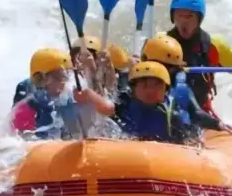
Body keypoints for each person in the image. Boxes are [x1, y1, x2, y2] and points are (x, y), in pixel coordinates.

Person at [75, 61, 224, 145]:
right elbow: (105, 107)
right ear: (133, 90)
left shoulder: (172, 115)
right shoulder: (126, 105)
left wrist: (216, 126)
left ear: (166, 90)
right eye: (145, 85)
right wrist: (88, 95)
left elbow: (186, 140)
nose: (150, 90)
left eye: (157, 85)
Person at [139, 33, 229, 135]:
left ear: (175, 68)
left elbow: (196, 114)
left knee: (177, 118)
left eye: (168, 67)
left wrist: (217, 124)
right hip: (133, 140)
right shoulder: (131, 83)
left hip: (171, 143)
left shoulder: (181, 90)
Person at [10, 48, 91, 140]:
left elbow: (75, 129)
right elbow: (19, 135)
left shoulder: (65, 97)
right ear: (44, 78)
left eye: (67, 76)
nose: (65, 84)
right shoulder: (29, 100)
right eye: (62, 78)